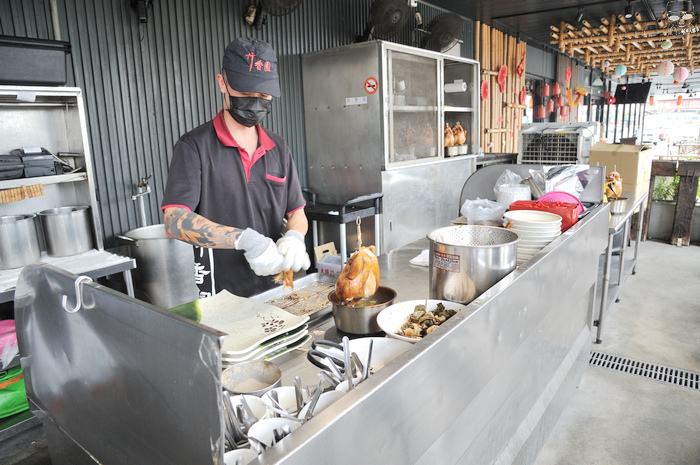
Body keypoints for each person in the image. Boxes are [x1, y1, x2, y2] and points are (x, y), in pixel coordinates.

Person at [161, 37, 310, 298]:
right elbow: (174, 220)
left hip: (277, 291)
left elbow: (297, 211)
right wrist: (243, 239)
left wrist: (295, 237)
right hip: (221, 296)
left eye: (263, 95)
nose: (254, 102)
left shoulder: (278, 146)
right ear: (222, 83)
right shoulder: (194, 146)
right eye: (245, 92)